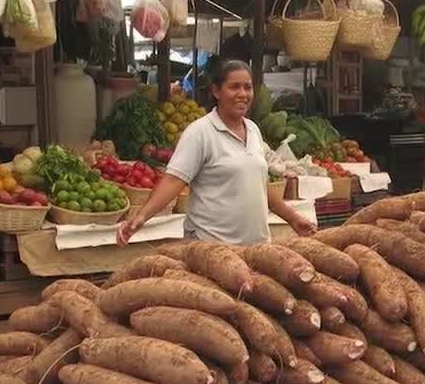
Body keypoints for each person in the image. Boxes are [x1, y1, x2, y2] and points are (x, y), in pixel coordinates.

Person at [117, 60, 316, 246]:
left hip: (257, 249)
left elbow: (259, 185)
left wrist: (293, 218)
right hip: (212, 250)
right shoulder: (200, 133)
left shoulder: (253, 129)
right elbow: (173, 181)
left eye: (247, 87)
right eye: (234, 87)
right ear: (216, 91)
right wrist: (140, 218)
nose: (242, 94)